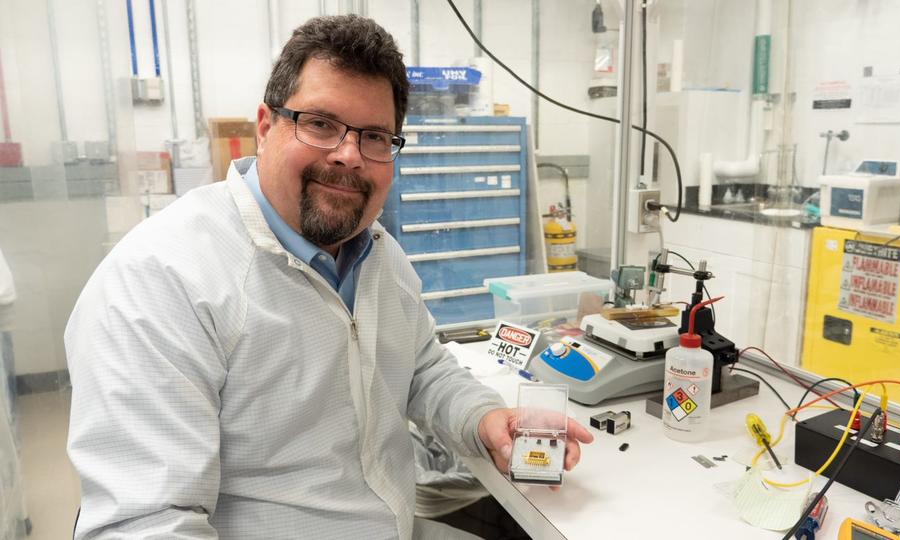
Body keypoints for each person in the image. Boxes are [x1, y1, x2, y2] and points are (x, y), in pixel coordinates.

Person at [66, 15, 592, 539]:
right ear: (267, 126)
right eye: (320, 123)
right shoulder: (162, 281)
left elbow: (424, 370)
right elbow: (146, 525)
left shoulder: (378, 255)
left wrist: (484, 421)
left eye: (374, 136)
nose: (348, 155)